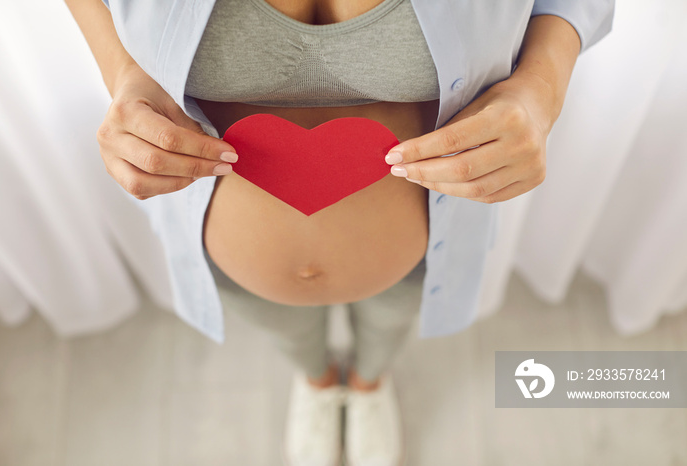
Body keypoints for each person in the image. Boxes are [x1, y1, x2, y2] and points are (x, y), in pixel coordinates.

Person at [65, 0, 614, 464]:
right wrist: (121, 73)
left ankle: (371, 380)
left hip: (424, 245)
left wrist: (542, 88)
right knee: (285, 329)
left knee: (392, 318)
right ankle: (319, 379)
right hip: (232, 258)